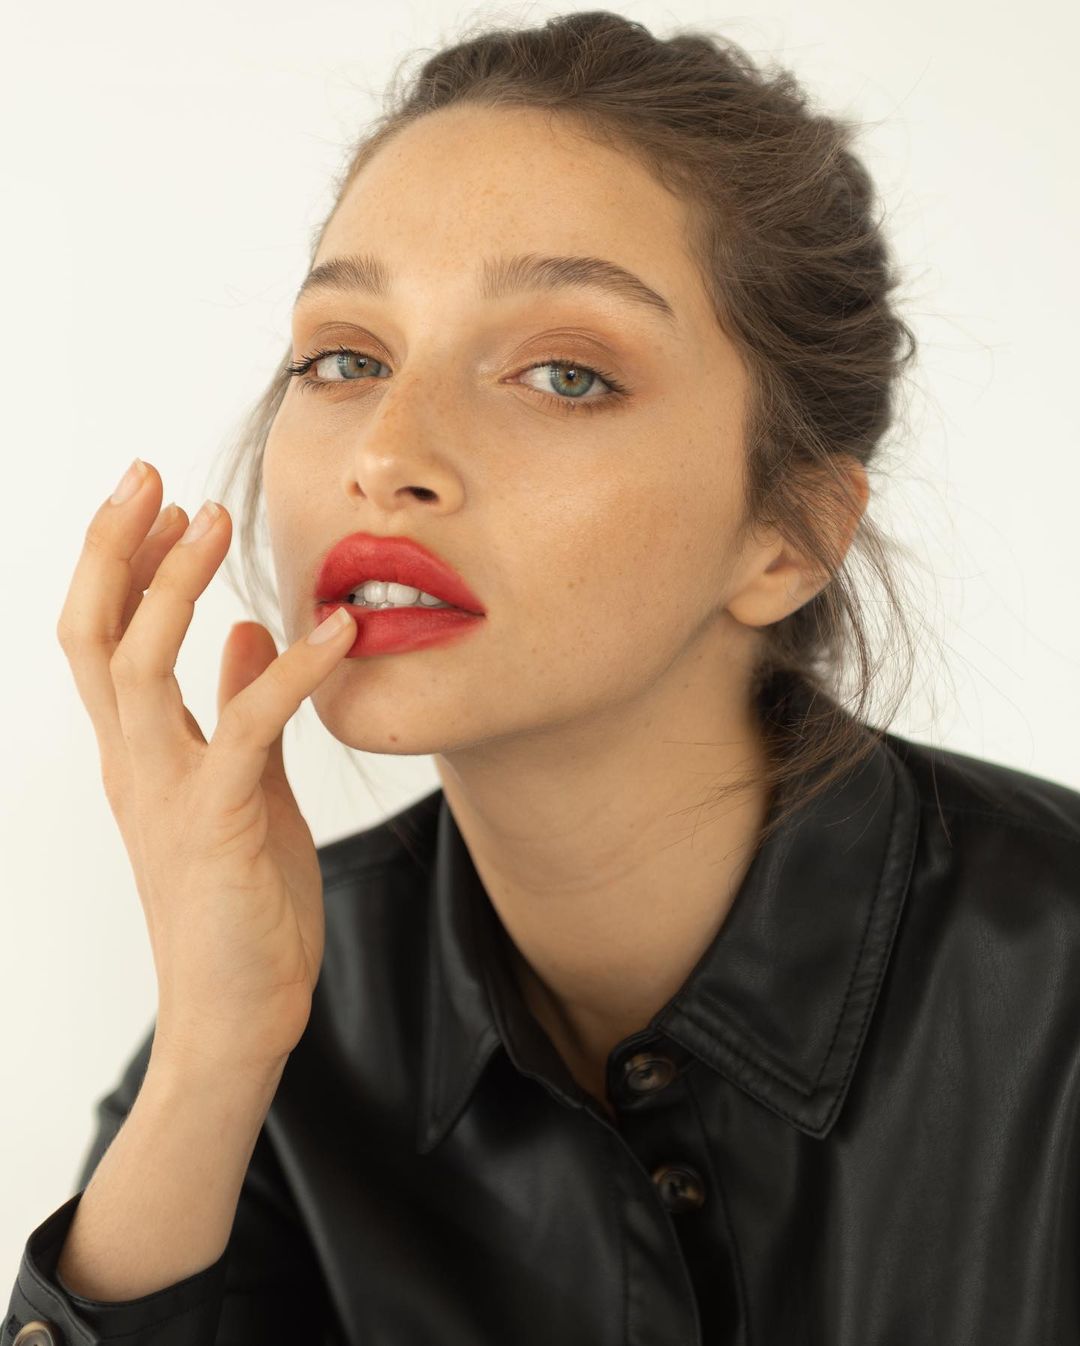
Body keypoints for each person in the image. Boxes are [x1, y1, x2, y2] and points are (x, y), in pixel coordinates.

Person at [5, 11, 1079, 1346]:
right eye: (345, 359)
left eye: (565, 373)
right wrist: (211, 1062)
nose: (387, 452)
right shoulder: (273, 1026)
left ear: (790, 534)